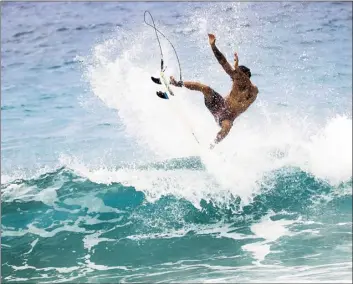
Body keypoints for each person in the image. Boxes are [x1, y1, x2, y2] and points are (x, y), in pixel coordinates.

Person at [170, 33, 259, 149]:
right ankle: (177, 83)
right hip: (219, 104)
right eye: (234, 77)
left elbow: (244, 80)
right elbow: (223, 62)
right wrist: (213, 46)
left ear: (246, 76)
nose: (234, 79)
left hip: (227, 117)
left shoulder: (253, 91)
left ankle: (211, 146)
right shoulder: (235, 77)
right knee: (205, 88)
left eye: (237, 76)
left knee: (227, 127)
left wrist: (237, 69)